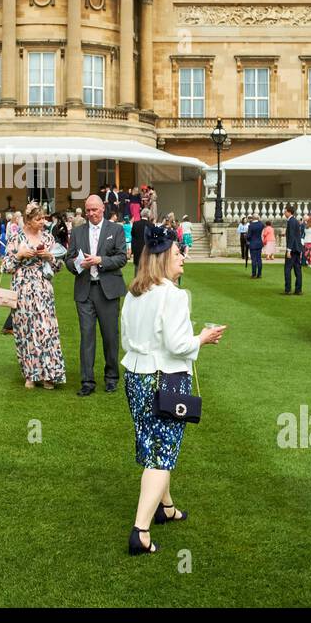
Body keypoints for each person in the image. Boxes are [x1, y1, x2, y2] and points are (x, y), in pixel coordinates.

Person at [121, 223, 226, 555]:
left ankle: (165, 508)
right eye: (178, 252)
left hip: (136, 375)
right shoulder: (174, 294)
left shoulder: (134, 292)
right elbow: (178, 344)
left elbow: (125, 338)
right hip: (163, 377)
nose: (183, 256)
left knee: (152, 441)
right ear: (164, 257)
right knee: (161, 452)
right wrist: (203, 338)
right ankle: (140, 531)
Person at [64, 194, 128, 396]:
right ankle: (87, 382)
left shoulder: (115, 229)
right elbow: (68, 258)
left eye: (95, 209)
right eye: (88, 210)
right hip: (85, 290)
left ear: (103, 209)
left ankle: (111, 378)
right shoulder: (77, 231)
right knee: (86, 337)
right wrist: (77, 265)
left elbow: (121, 258)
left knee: (110, 336)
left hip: (107, 290)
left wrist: (100, 260)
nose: (91, 213)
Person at [1, 202, 67, 390]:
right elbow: (4, 267)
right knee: (26, 330)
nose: (42, 222)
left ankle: (49, 375)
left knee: (46, 329)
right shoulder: (16, 237)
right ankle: (30, 374)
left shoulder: (47, 237)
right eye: (38, 219)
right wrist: (19, 255)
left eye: (44, 218)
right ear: (28, 220)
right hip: (22, 288)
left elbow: (58, 267)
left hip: (43, 287)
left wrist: (49, 256)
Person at [282, 206, 304, 295]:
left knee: (287, 269)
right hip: (297, 248)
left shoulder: (291, 221)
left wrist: (288, 250)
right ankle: (298, 289)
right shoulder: (294, 221)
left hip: (293, 249)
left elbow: (291, 236)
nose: (284, 213)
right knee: (297, 270)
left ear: (289, 212)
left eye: (285, 211)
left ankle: (288, 289)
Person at [246, 214, 265, 278]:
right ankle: (259, 274)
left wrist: (246, 237)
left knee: (254, 259)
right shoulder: (261, 224)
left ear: (253, 218)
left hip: (253, 243)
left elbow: (248, 236)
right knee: (259, 259)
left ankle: (254, 274)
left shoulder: (251, 225)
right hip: (259, 243)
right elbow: (262, 224)